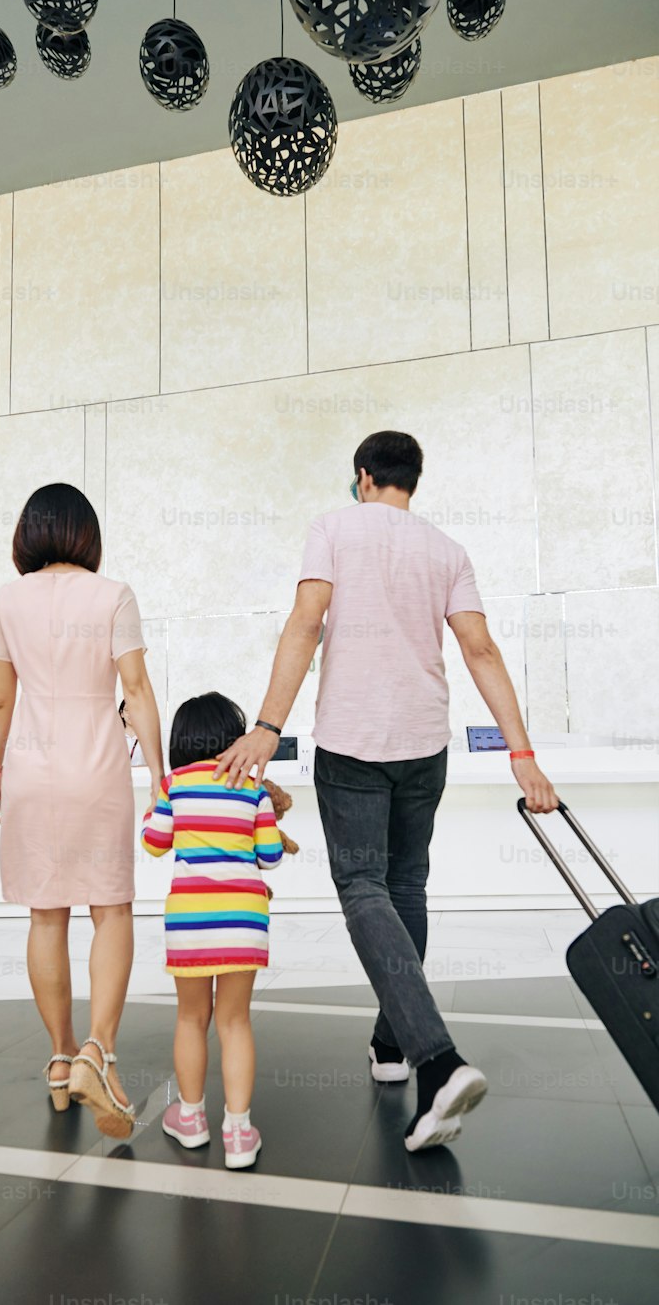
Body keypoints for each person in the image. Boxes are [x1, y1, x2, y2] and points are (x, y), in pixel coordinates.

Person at [218, 431, 559, 1152]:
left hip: (352, 744)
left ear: (364, 477)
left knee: (364, 886)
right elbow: (480, 649)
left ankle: (437, 1060)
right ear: (413, 481)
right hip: (424, 743)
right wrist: (521, 753)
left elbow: (306, 625)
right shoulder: (446, 550)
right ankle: (392, 1044)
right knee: (407, 885)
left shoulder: (332, 529)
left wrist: (266, 726)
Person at [0, 483, 164, 1139]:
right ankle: (99, 1051)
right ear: (86, 534)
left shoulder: (8, 599)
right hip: (98, 768)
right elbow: (137, 688)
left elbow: (0, 700)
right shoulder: (112, 594)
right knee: (110, 909)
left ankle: (60, 1059)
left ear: (27, 535)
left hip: (31, 769)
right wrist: (161, 777)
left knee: (45, 914)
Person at [142, 692, 284, 1169]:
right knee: (235, 1021)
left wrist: (152, 805)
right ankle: (239, 1133)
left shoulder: (174, 784)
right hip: (244, 919)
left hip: (189, 919)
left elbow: (155, 843)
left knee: (190, 1019)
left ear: (181, 742)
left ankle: (191, 1118)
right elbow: (271, 857)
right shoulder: (253, 785)